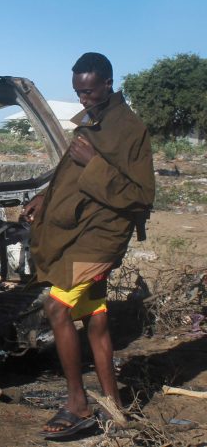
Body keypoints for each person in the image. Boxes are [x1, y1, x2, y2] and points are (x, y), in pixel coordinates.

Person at [22, 52, 155, 439]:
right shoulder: (92, 120)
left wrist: (95, 161)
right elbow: (70, 172)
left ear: (109, 83)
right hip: (82, 231)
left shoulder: (130, 129)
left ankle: (78, 404)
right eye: (78, 92)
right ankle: (114, 407)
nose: (83, 99)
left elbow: (141, 195)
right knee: (95, 315)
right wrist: (45, 198)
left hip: (104, 238)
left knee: (56, 306)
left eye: (89, 91)